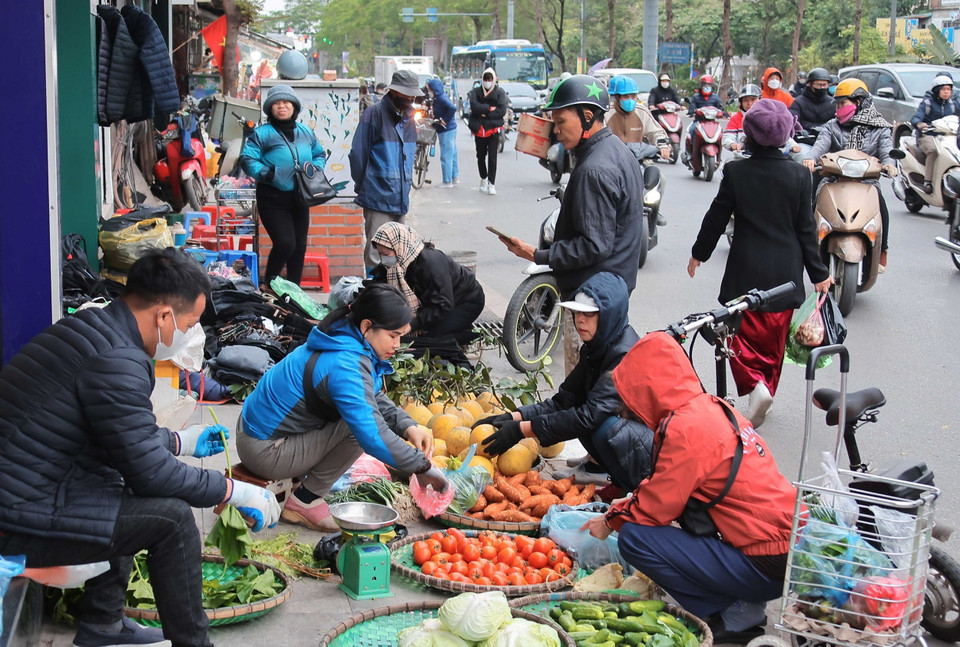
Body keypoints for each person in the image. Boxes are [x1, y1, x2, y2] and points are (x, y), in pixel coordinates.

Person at [0, 248, 280, 647]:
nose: (191, 334)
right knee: (171, 520)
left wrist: (177, 441)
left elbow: (120, 434)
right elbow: (150, 471)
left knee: (123, 482)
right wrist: (231, 489)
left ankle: (103, 626)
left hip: (26, 490)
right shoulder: (117, 357)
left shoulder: (98, 328)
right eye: (191, 323)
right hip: (17, 518)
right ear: (164, 315)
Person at [581, 331, 799, 644]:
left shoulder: (684, 427)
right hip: (788, 544)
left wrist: (610, 520)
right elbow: (669, 487)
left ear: (648, 389)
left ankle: (734, 612)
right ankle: (745, 601)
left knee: (634, 537)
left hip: (766, 562)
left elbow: (653, 510)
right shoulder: (712, 406)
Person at [238, 283, 450, 532]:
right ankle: (305, 501)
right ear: (367, 327)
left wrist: (408, 426)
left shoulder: (344, 337)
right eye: (393, 336)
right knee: (358, 426)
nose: (397, 344)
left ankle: (303, 492)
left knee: (360, 414)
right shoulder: (345, 363)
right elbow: (373, 434)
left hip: (261, 435)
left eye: (401, 336)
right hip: (265, 451)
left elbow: (370, 395)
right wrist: (421, 467)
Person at [688, 99, 833, 427]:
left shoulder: (736, 171)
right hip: (785, 276)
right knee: (774, 342)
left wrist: (700, 253)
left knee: (740, 338)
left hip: (745, 272)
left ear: (749, 136)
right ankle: (765, 386)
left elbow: (716, 217)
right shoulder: (799, 176)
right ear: (785, 136)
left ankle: (754, 386)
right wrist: (820, 274)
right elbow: (806, 230)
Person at [475, 272, 654, 499]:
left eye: (588, 314)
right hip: (635, 442)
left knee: (602, 427)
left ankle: (638, 487)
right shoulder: (596, 347)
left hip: (655, 454)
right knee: (579, 415)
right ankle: (620, 481)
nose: (580, 320)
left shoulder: (624, 356)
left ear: (608, 316)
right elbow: (564, 400)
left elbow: (589, 416)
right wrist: (514, 417)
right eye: (577, 312)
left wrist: (523, 431)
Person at [498, 75, 645, 299]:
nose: (555, 130)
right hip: (613, 287)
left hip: (593, 295)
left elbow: (593, 246)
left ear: (587, 117)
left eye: (561, 122)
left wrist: (535, 254)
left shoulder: (593, 169)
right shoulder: (617, 150)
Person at [803, 78, 897, 271]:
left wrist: (889, 164)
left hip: (867, 182)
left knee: (881, 207)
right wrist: (811, 158)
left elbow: (887, 150)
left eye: (843, 103)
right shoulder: (832, 126)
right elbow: (820, 145)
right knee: (813, 207)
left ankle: (882, 250)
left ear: (859, 102)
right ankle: (809, 250)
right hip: (833, 180)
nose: (839, 109)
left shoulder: (880, 127)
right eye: (837, 104)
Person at [240, 84, 327, 289]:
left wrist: (313, 169)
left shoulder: (305, 131)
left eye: (286, 102)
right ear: (270, 108)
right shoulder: (263, 133)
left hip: (300, 196)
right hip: (272, 198)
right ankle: (269, 283)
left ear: (294, 107)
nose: (282, 106)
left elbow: (319, 154)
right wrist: (268, 174)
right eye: (277, 103)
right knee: (285, 243)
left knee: (299, 248)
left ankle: (294, 290)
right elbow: (247, 159)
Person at [349, 69, 421, 270]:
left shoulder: (409, 117)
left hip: (400, 196)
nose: (411, 98)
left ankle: (394, 294)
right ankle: (375, 294)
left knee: (399, 251)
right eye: (407, 94)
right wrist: (364, 184)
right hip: (376, 194)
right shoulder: (374, 113)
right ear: (395, 92)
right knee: (376, 252)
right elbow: (358, 154)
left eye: (413, 94)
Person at [370, 222, 485, 347]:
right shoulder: (396, 264)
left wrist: (411, 325)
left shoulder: (431, 263)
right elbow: (378, 285)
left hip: (465, 300)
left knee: (430, 338)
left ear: (400, 247)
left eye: (386, 254)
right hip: (439, 302)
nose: (383, 259)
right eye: (380, 254)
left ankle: (471, 338)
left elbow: (442, 305)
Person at [910, 73, 960, 195]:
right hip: (928, 135)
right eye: (943, 89)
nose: (946, 92)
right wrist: (920, 124)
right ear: (937, 90)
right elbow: (915, 119)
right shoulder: (927, 103)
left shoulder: (953, 104)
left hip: (948, 135)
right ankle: (928, 181)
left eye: (949, 89)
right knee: (933, 151)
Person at [605, 74, 671, 160]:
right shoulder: (606, 112)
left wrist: (664, 146)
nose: (630, 100)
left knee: (654, 172)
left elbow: (655, 132)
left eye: (633, 96)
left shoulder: (642, 111)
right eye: (625, 97)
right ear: (617, 98)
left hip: (638, 160)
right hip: (611, 160)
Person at [468, 67, 508, 195]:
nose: (487, 81)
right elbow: (474, 107)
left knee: (492, 157)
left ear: (494, 79)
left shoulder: (500, 93)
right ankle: (483, 178)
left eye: (490, 79)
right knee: (480, 156)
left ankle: (492, 183)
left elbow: (501, 110)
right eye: (485, 79)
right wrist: (490, 108)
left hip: (493, 129)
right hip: (479, 130)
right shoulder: (475, 92)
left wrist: (487, 113)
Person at [426, 77, 460, 187]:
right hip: (451, 129)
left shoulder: (441, 98)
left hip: (446, 130)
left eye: (429, 90)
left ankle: (447, 181)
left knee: (446, 156)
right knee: (452, 154)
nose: (428, 92)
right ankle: (454, 177)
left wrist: (444, 121)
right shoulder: (440, 97)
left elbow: (452, 108)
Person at [685, 74, 728, 145]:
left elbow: (720, 107)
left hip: (712, 122)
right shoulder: (696, 97)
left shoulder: (715, 97)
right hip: (699, 121)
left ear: (712, 87)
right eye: (705, 86)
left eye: (709, 86)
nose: (707, 87)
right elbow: (692, 106)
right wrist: (691, 111)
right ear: (701, 86)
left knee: (720, 131)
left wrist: (724, 113)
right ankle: (693, 147)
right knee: (693, 129)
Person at [722, 84, 762, 152]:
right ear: (741, 102)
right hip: (741, 156)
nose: (749, 103)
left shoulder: (766, 117)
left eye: (753, 99)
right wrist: (732, 144)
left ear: (760, 99)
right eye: (745, 100)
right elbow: (727, 137)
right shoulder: (736, 118)